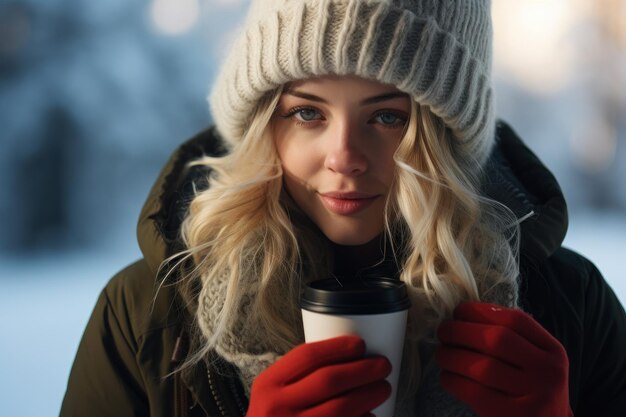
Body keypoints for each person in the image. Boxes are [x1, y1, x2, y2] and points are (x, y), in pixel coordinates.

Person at [60, 0, 626, 416]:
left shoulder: (568, 305)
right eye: (308, 113)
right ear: (263, 125)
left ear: (445, 137)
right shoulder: (147, 315)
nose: (346, 158)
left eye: (388, 117)